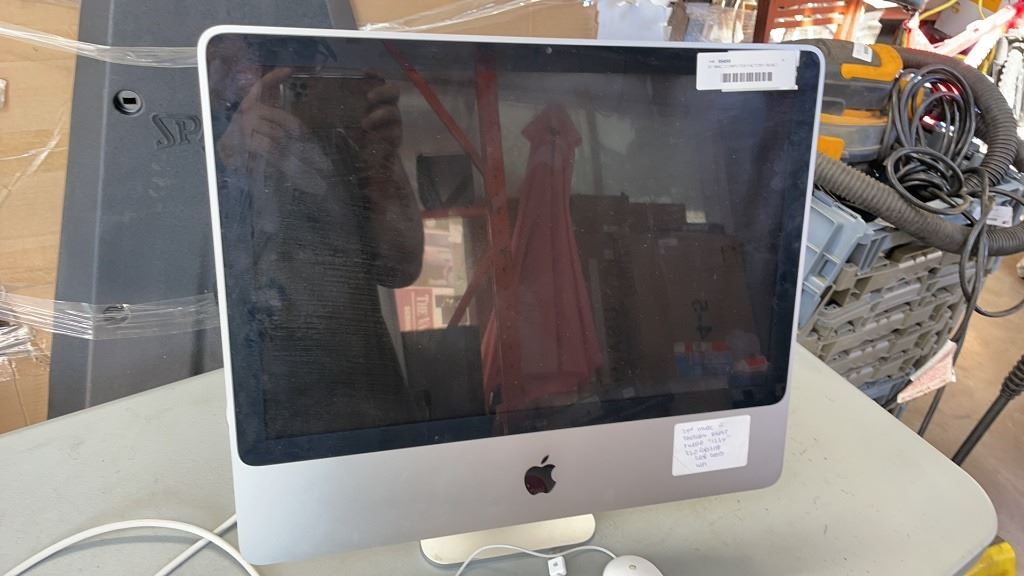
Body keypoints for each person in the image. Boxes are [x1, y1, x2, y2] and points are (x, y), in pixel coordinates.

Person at [210, 37, 424, 438]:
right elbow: (192, 293)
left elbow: (400, 267)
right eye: (241, 68)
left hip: (372, 406)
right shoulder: (202, 147)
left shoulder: (343, 144)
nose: (271, 81)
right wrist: (230, 169)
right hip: (256, 410)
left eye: (301, 70)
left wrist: (382, 164)